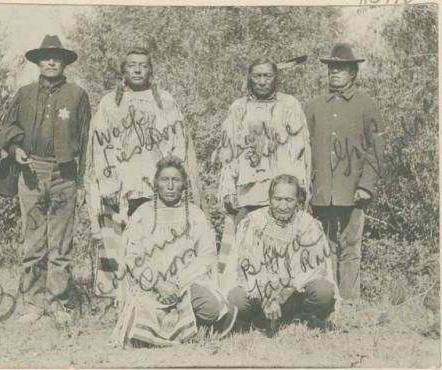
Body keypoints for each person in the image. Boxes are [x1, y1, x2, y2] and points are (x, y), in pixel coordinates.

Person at [86, 47, 200, 300]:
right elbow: (100, 147)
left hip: (156, 182)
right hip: (123, 184)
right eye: (132, 65)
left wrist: (174, 176)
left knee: (154, 235)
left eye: (143, 65)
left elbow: (178, 141)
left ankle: (156, 288)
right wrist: (108, 183)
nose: (137, 69)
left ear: (151, 70)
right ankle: (117, 293)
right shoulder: (109, 102)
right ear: (123, 71)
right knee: (121, 235)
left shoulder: (166, 101)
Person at [2, 35, 91, 324]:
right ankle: (33, 304)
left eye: (57, 57)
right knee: (34, 241)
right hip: (31, 172)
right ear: (38, 61)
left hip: (65, 173)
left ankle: (58, 304)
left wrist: (80, 182)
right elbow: (8, 132)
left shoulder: (77, 95)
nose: (51, 61)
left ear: (64, 62)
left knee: (61, 243)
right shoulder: (24, 93)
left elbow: (86, 141)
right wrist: (15, 151)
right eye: (46, 57)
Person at [112, 155, 237, 347]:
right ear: (156, 183)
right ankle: (164, 331)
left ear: (184, 184)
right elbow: (132, 255)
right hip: (149, 285)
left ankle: (188, 325)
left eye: (175, 180)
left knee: (212, 309)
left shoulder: (195, 214)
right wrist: (158, 283)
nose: (170, 186)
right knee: (139, 323)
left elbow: (206, 255)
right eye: (165, 180)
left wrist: (178, 283)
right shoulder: (142, 214)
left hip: (185, 285)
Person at [305, 43, 385, 303]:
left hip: (353, 190)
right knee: (324, 245)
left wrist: (366, 185)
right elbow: (304, 148)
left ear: (353, 72)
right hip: (321, 191)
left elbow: (375, 150)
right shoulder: (314, 106)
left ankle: (350, 302)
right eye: (331, 68)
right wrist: (306, 185)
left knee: (351, 245)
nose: (334, 72)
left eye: (341, 68)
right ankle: (328, 302)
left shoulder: (366, 105)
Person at [220, 174, 338, 333]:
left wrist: (282, 290)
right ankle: (259, 320)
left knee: (324, 290)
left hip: (295, 293)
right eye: (277, 199)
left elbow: (315, 268)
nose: (282, 206)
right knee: (236, 299)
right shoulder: (253, 223)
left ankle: (301, 318)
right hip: (260, 296)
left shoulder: (308, 224)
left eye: (289, 200)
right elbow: (245, 268)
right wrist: (266, 296)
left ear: (298, 201)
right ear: (270, 198)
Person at [217, 57, 311, 228]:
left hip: (282, 194)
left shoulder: (289, 105)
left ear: (276, 77)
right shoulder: (239, 108)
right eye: (257, 76)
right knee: (248, 239)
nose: (261, 82)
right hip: (248, 191)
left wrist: (300, 188)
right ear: (249, 77)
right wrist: (228, 188)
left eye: (267, 76)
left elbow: (299, 151)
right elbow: (228, 152)